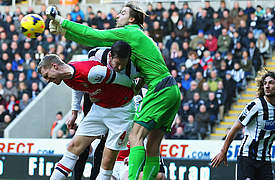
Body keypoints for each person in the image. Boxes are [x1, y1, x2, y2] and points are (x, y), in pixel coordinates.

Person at [46, 2, 181, 180]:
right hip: (172, 90)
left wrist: (61, 22)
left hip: (159, 88)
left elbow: (94, 35)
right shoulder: (140, 40)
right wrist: (65, 33)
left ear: (131, 19)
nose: (118, 16)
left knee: (135, 137)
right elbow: (95, 40)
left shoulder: (129, 33)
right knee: (153, 146)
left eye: (122, 13)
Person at [38, 42, 136, 180]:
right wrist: (74, 112)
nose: (48, 80)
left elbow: (120, 78)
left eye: (47, 75)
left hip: (121, 112)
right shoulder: (67, 77)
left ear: (55, 66)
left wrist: (135, 87)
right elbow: (77, 87)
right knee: (73, 146)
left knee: (107, 161)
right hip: (99, 108)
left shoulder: (92, 72)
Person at [211, 70, 275, 180]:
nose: (267, 86)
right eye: (265, 83)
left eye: (271, 83)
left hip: (265, 159)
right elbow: (235, 127)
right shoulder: (255, 105)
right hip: (247, 157)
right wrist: (223, 151)